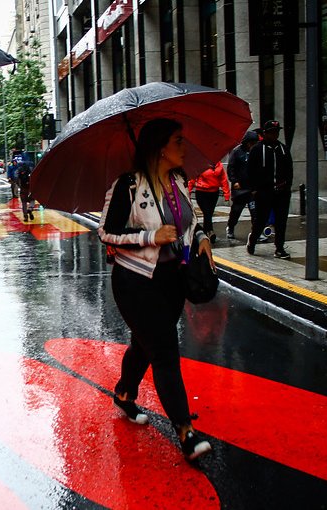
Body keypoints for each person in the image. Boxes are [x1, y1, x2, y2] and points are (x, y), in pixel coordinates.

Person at [97, 118, 214, 461]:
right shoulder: (128, 185)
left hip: (172, 280)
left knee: (144, 345)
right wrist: (150, 236)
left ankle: (123, 392)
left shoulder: (179, 181)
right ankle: (185, 432)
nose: (184, 147)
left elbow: (190, 221)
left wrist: (202, 239)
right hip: (135, 282)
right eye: (179, 140)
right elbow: (106, 232)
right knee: (164, 350)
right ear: (161, 147)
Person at [246, 120, 294, 259]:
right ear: (265, 133)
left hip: (281, 192)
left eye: (277, 131)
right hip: (264, 191)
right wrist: (254, 189)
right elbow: (250, 171)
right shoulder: (257, 149)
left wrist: (287, 187)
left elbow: (289, 170)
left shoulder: (283, 149)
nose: (275, 134)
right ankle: (253, 240)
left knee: (281, 221)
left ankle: (279, 248)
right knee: (261, 220)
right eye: (272, 132)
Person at [226, 131, 259, 240]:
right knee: (236, 211)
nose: (252, 145)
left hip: (252, 188)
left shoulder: (256, 152)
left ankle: (256, 232)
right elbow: (231, 168)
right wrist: (234, 181)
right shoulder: (237, 152)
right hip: (240, 189)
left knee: (255, 212)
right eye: (251, 143)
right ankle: (230, 227)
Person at [188, 161, 229, 242]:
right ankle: (210, 231)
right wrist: (188, 191)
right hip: (201, 192)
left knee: (209, 213)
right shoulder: (200, 164)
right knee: (207, 212)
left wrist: (226, 193)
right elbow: (192, 179)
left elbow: (223, 179)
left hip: (214, 193)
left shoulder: (219, 165)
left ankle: (205, 232)